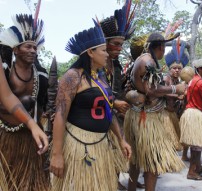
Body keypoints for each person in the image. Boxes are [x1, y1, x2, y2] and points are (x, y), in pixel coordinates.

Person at [49, 18, 131, 191]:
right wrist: (57, 154)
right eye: (103, 50)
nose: (107, 54)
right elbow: (60, 116)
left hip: (102, 144)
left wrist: (121, 139)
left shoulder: (100, 76)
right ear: (91, 53)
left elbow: (109, 111)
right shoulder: (72, 77)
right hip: (80, 145)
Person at [124, 32, 186, 191]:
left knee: (136, 160)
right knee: (152, 162)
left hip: (137, 115)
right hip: (145, 118)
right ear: (160, 47)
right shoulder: (148, 61)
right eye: (163, 48)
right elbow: (150, 90)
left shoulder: (140, 59)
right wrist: (175, 88)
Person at [0, 14, 50, 190]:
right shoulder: (5, 70)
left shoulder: (41, 76)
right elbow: (6, 97)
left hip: (31, 138)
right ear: (15, 49)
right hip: (6, 137)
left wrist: (38, 125)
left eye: (35, 48)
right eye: (28, 46)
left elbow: (43, 105)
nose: (33, 51)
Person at [100, 1, 140, 189]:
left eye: (121, 45)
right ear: (105, 43)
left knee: (116, 151)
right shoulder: (94, 65)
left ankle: (114, 181)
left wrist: (125, 98)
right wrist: (114, 103)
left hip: (113, 119)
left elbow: (117, 92)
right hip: (94, 121)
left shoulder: (115, 66)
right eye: (115, 44)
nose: (119, 48)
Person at [179, 57, 202, 181]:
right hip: (195, 113)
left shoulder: (192, 80)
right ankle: (192, 172)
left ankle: (197, 166)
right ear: (199, 69)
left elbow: (186, 99)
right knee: (197, 145)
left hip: (189, 112)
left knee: (196, 143)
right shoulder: (200, 83)